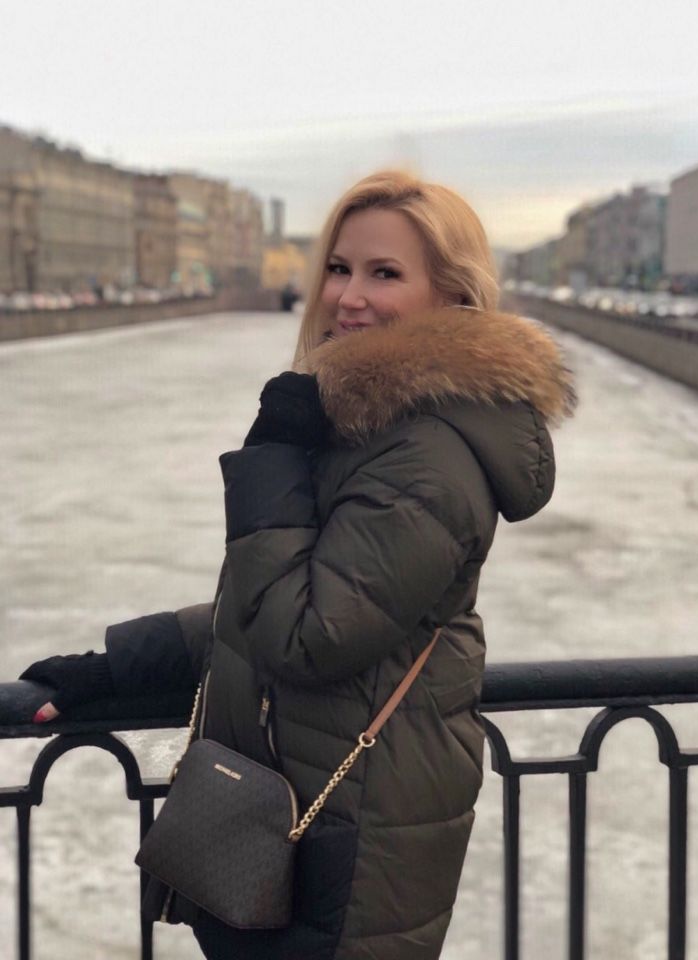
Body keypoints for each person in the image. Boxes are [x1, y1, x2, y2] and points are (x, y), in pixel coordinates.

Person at [19, 170, 576, 960]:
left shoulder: (429, 454)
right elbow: (281, 597)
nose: (349, 296)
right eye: (340, 268)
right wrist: (121, 664)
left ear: (452, 295)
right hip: (293, 826)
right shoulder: (373, 425)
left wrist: (273, 460)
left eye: (385, 273)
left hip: (347, 853)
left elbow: (306, 635)